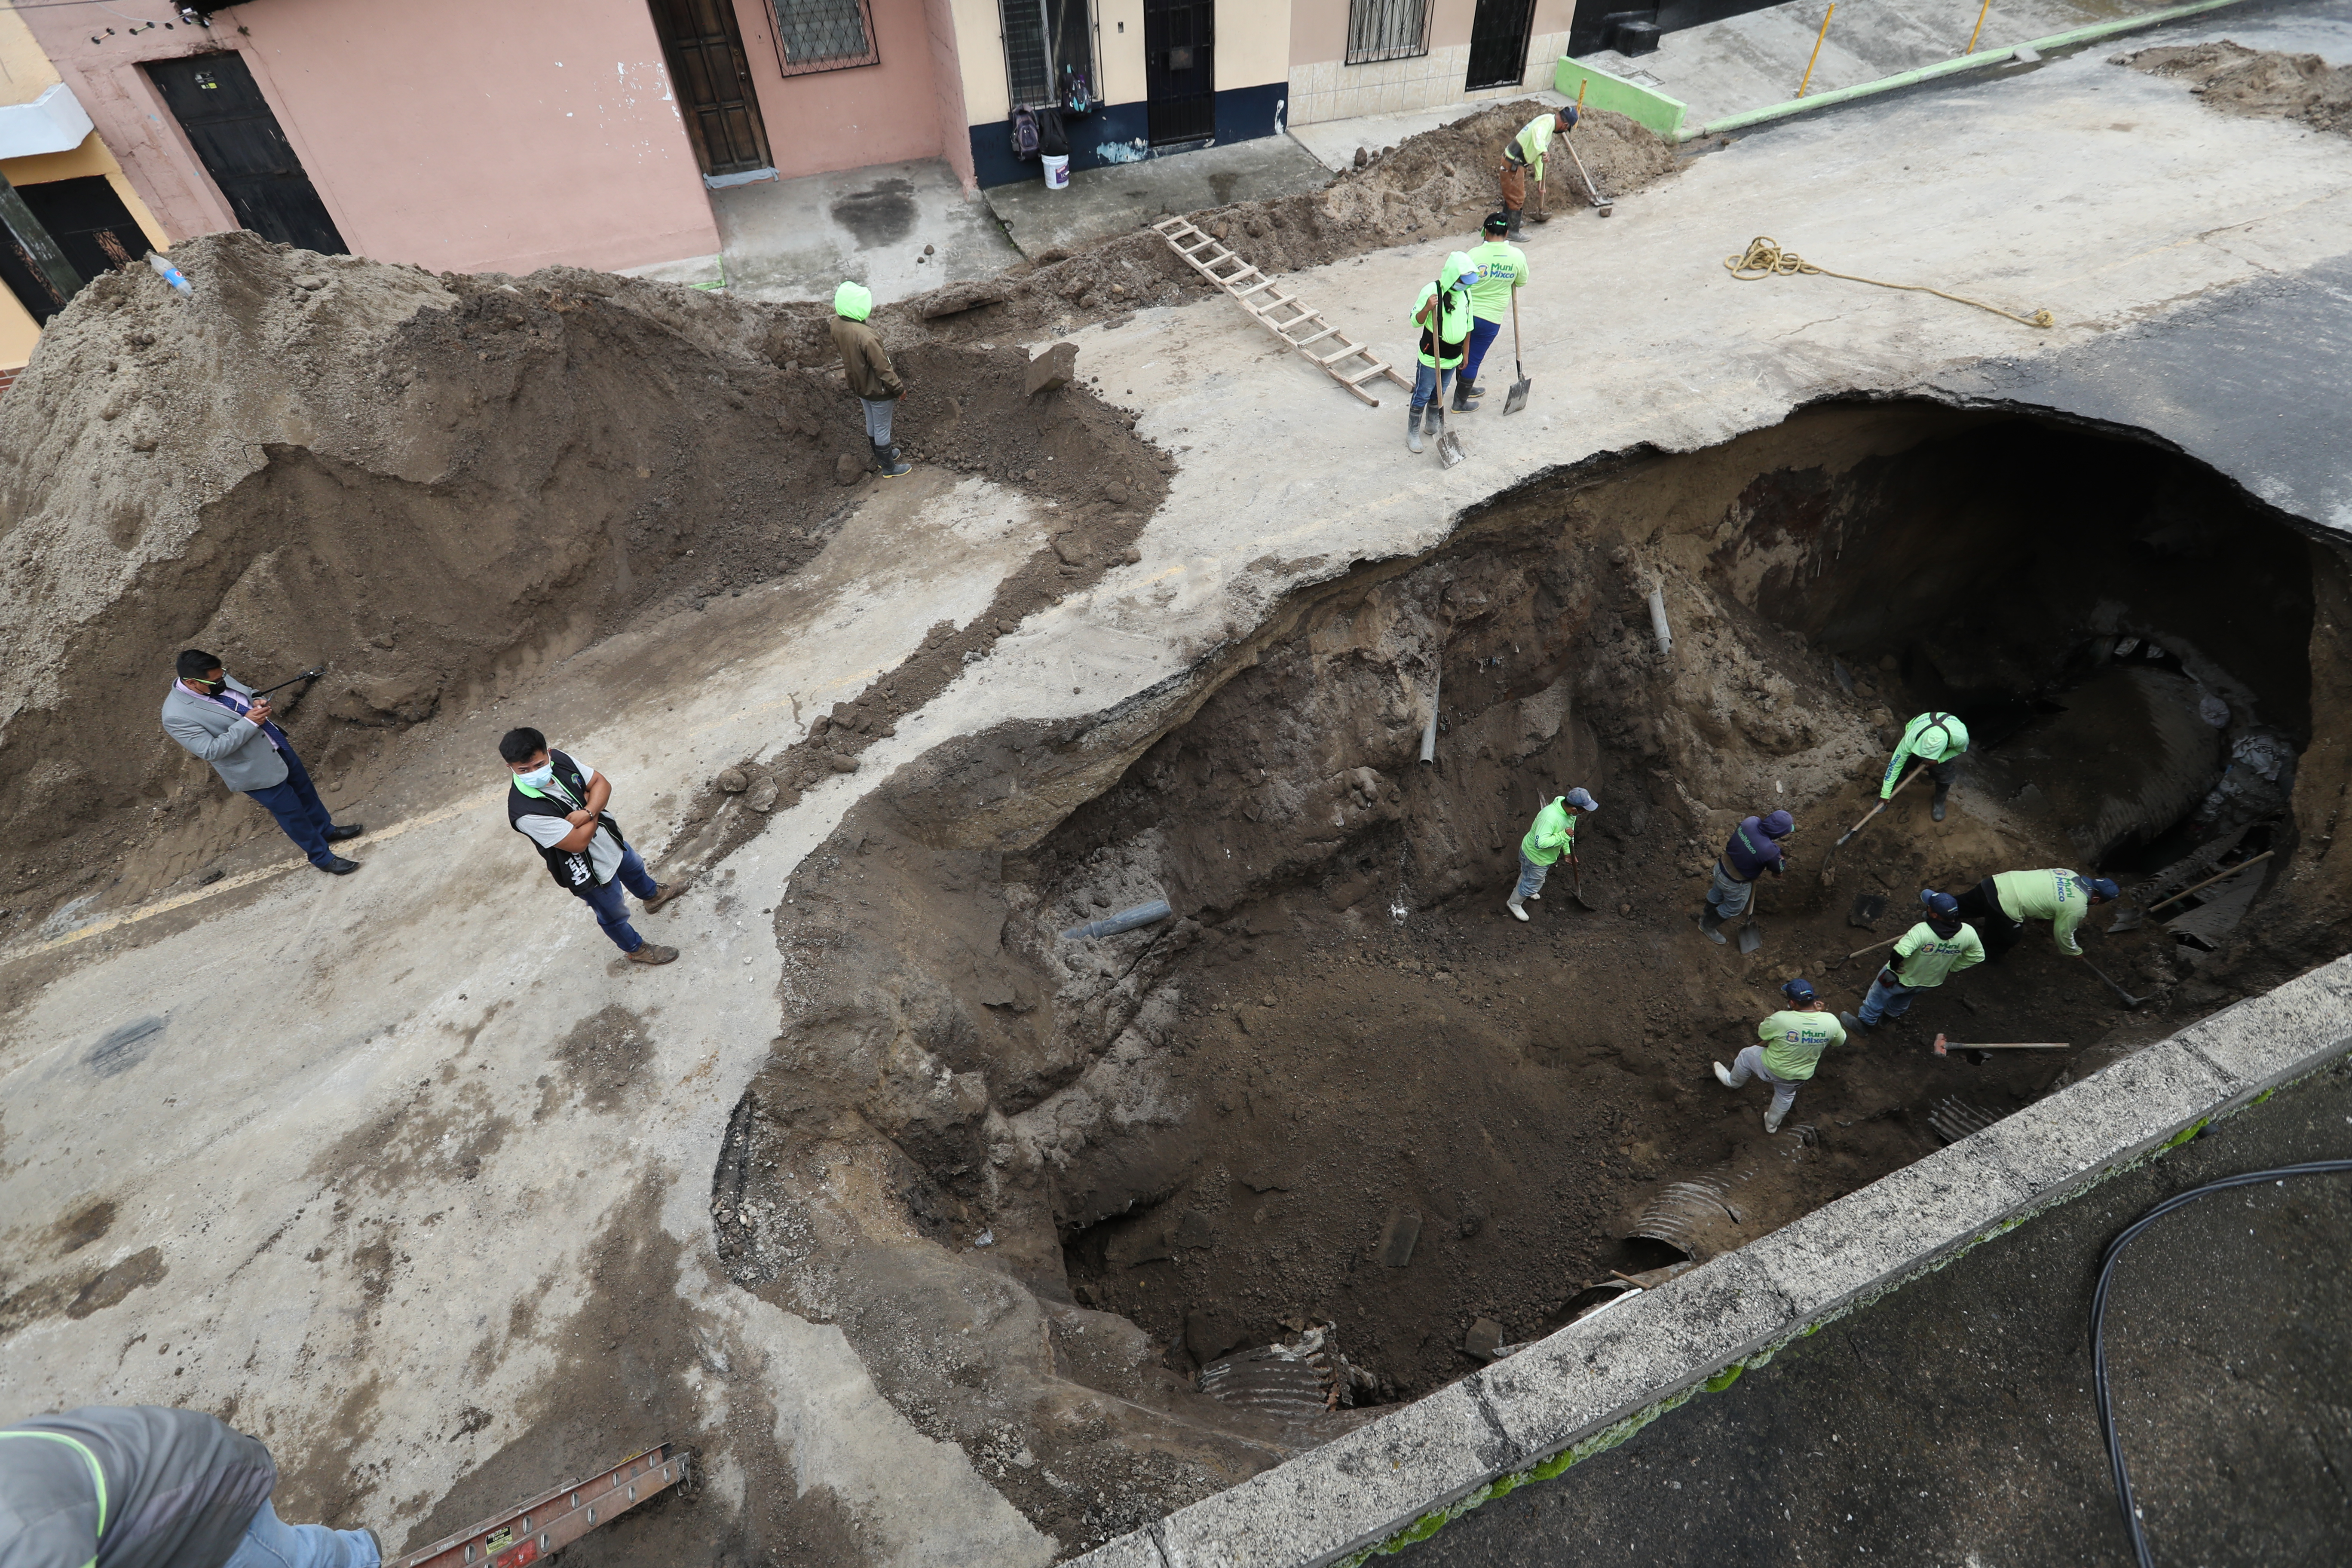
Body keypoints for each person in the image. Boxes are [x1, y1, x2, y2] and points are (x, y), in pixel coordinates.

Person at [0, 1403, 381, 1567]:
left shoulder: (25, 1538)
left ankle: (362, 1557)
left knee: (287, 1559)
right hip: (148, 1486)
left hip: (200, 1504)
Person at [161, 651, 363, 876]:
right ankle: (322, 857)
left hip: (276, 746)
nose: (223, 682)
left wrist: (256, 698)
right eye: (217, 681)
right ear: (192, 683)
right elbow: (211, 750)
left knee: (306, 793)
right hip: (253, 770)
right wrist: (249, 723)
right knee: (292, 813)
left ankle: (325, 830)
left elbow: (246, 691)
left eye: (223, 676)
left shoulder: (214, 679)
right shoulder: (176, 716)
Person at [500, 728, 686, 965]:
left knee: (634, 867)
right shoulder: (524, 812)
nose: (534, 774)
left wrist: (587, 812)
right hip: (587, 871)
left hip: (609, 841)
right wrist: (593, 807)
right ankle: (636, 950)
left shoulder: (561, 760)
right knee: (614, 914)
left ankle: (653, 896)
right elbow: (578, 843)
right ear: (510, 768)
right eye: (523, 770)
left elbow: (601, 783)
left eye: (538, 765)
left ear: (548, 754)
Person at [1713, 977, 1845, 1133]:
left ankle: (1733, 1082)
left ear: (1793, 1003)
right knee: (1785, 1097)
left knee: (1746, 1055)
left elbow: (1763, 1033)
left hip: (1771, 1068)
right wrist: (1819, 1017)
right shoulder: (1831, 1021)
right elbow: (1839, 1042)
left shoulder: (1781, 1019)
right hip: (1799, 1076)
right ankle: (1772, 1125)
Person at [1842, 889, 1985, 1030]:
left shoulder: (1922, 931)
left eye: (1929, 907)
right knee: (1903, 1000)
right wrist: (1952, 967)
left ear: (1935, 915)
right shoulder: (1968, 932)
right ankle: (1886, 1019)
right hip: (1929, 981)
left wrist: (1895, 967)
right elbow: (1978, 956)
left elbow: (1899, 953)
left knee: (1877, 997)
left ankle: (1864, 1024)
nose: (1927, 907)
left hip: (1900, 978)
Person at [828, 280, 911, 478]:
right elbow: (883, 368)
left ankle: (882, 457)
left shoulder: (837, 325)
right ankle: (889, 468)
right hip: (878, 389)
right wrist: (899, 389)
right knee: (882, 427)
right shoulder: (866, 336)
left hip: (858, 384)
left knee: (872, 422)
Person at [1451, 213, 1528, 413]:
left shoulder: (1474, 254)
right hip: (1490, 319)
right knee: (1474, 358)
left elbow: (1459, 281)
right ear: (1507, 233)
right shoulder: (1518, 257)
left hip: (1464, 315)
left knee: (1461, 353)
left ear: (1485, 232)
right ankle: (1460, 402)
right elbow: (1521, 282)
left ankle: (1464, 387)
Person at [1955, 868, 2119, 962]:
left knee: (1965, 905)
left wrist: (2043, 917)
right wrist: (2075, 952)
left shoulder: (2069, 873)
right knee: (2009, 937)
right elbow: (2063, 934)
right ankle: (1984, 957)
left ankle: (1935, 913)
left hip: (1996, 883)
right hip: (2006, 904)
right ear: (2097, 899)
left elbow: (2047, 891)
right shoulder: (2078, 907)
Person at [1407, 254, 1474, 455]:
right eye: (1463, 281)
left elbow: (1469, 326)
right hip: (1432, 356)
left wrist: (1466, 354)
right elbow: (1415, 321)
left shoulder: (1467, 294)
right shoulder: (1432, 291)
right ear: (1454, 276)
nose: (1465, 286)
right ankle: (1412, 432)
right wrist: (1428, 308)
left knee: (1440, 393)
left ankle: (1432, 423)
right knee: (1423, 393)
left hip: (1453, 357)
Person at [1699, 808, 1795, 944]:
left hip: (1721, 867)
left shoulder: (1751, 821)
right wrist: (1779, 864)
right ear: (1780, 832)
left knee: (1717, 892)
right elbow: (1778, 868)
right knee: (1734, 907)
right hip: (1735, 883)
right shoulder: (1770, 851)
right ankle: (1707, 926)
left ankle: (1705, 915)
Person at [1508, 787, 1599, 922]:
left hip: (1534, 854)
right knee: (1534, 883)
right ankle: (1514, 903)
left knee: (1528, 875)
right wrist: (1563, 836)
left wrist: (1568, 853)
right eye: (1584, 810)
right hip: (1536, 858)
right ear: (1574, 809)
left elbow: (1569, 833)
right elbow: (1541, 843)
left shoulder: (1569, 813)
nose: (1584, 812)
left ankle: (1526, 888)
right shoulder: (1550, 818)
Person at [1498, 106, 1576, 237]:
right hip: (1513, 163)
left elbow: (1540, 157)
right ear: (1565, 125)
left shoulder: (1547, 124)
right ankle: (1512, 231)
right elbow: (1537, 135)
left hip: (1517, 163)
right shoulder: (1546, 123)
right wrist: (1543, 150)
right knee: (1517, 197)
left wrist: (1540, 179)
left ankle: (1508, 223)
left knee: (1512, 195)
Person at [1882, 710, 1970, 822]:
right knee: (1903, 766)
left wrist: (1939, 760)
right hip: (1920, 726)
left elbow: (1959, 751)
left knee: (1943, 775)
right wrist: (1885, 793)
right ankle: (1891, 790)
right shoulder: (1911, 739)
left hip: (1949, 738)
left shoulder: (1960, 739)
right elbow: (1895, 765)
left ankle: (1939, 801)